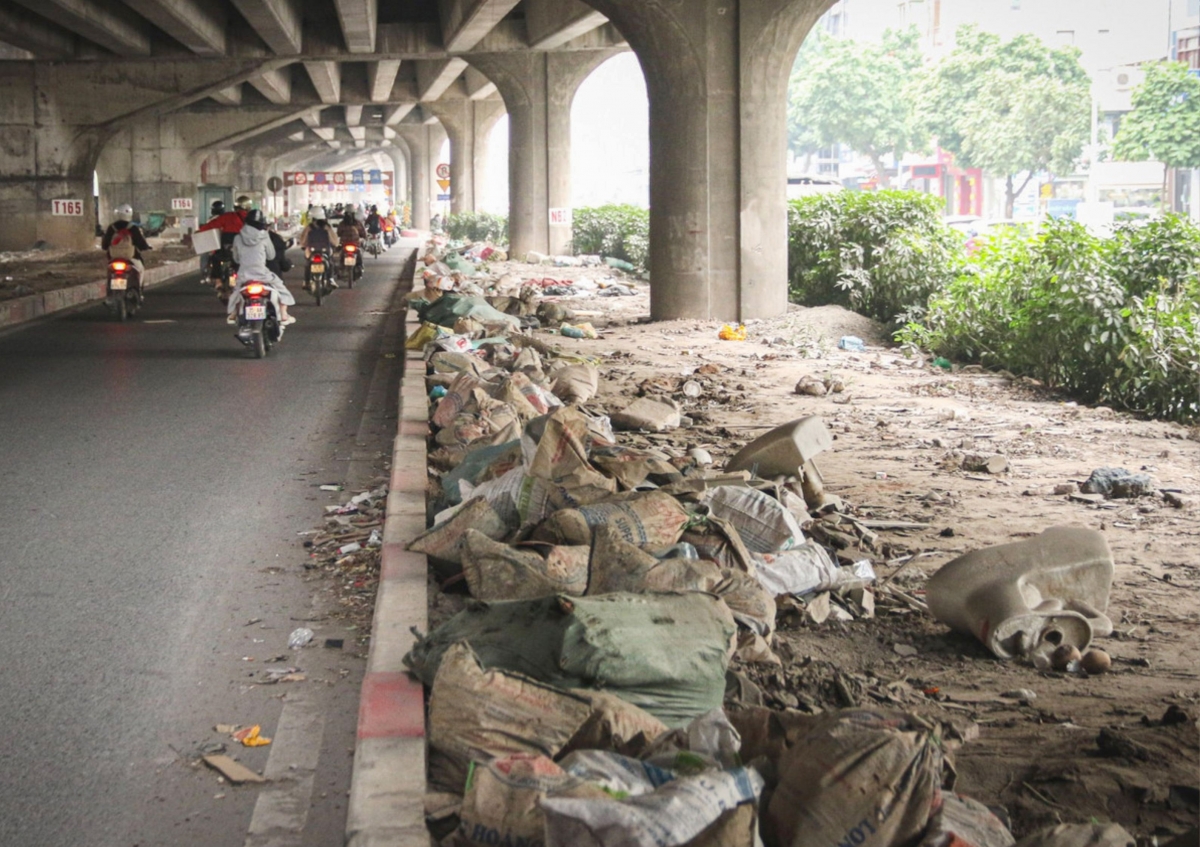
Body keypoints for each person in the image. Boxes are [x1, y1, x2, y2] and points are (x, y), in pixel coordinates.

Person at [228, 209, 295, 326]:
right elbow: (271, 256)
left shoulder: (237, 238)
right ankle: (284, 315)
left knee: (236, 292)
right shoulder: (265, 237)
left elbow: (236, 259)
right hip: (262, 274)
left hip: (244, 275)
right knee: (281, 289)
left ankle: (233, 314)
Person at [101, 204, 151, 300]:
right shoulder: (133, 228)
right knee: (140, 270)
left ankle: (109, 295)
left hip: (113, 258)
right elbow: (141, 244)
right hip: (131, 258)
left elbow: (104, 245)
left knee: (110, 273)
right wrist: (146, 247)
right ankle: (139, 291)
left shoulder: (111, 228)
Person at [297, 206, 340, 290]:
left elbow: (303, 241)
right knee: (330, 262)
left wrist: (303, 246)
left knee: (308, 264)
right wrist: (335, 245)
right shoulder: (327, 227)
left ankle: (306, 281)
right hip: (326, 250)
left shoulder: (309, 227)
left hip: (311, 251)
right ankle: (330, 279)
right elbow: (334, 241)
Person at [337, 210, 367, 278]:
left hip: (345, 244)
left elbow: (338, 233)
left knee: (341, 255)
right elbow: (363, 233)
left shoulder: (342, 224)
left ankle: (341, 268)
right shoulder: (358, 223)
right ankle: (360, 266)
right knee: (359, 254)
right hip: (355, 244)